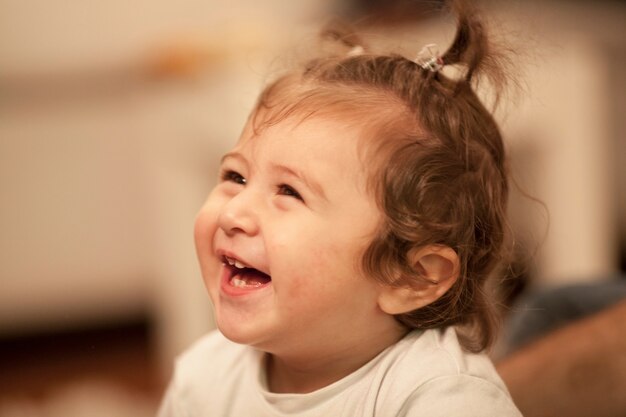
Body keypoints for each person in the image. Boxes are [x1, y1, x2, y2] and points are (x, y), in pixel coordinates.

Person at [158, 1, 522, 415]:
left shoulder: (442, 399)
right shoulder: (204, 378)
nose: (233, 214)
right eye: (235, 177)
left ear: (411, 277)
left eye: (289, 192)